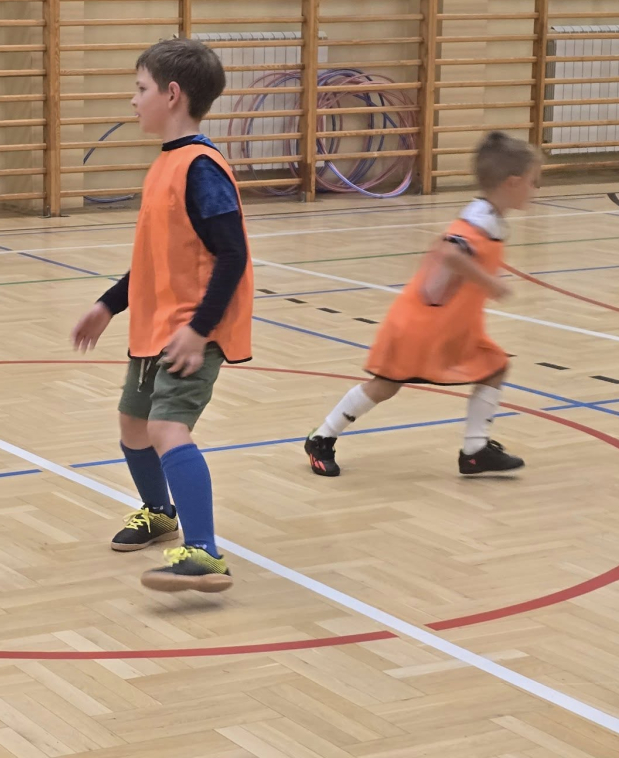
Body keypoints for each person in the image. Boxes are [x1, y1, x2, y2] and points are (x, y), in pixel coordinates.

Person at [71, 38, 253, 594]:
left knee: (166, 427)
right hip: (154, 328)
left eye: (140, 88)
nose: (133, 100)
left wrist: (199, 330)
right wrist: (108, 304)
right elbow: (155, 261)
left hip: (192, 331)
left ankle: (205, 552)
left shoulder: (200, 169)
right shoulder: (166, 165)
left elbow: (233, 254)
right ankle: (159, 511)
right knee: (133, 425)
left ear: (172, 95)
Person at [303, 131, 541, 478]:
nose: (536, 189)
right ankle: (321, 437)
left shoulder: (488, 219)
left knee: (494, 368)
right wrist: (490, 283)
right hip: (419, 325)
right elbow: (448, 252)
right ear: (513, 182)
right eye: (533, 182)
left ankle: (475, 451)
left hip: (451, 326)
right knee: (384, 386)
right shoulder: (477, 223)